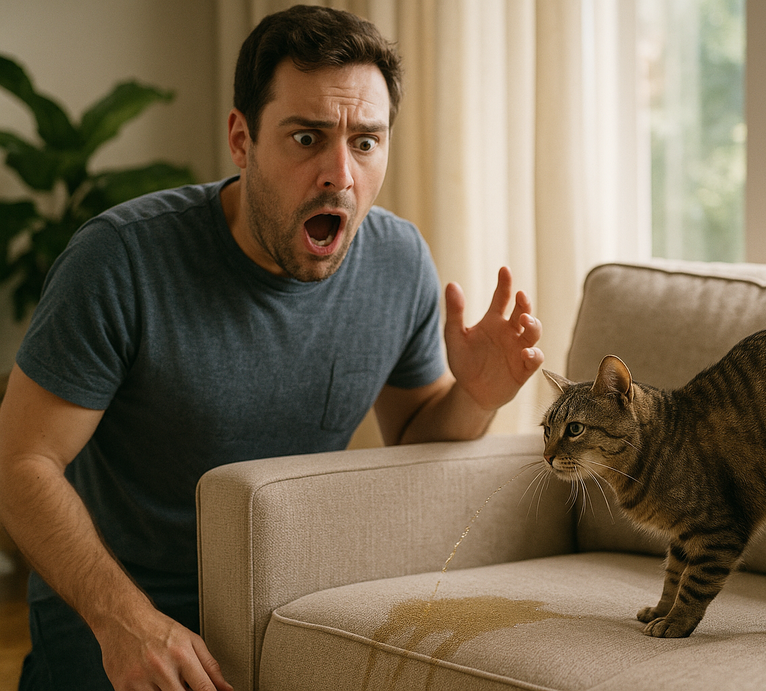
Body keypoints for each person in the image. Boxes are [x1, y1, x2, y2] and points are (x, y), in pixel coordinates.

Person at [0, 6, 544, 690]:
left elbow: (414, 434)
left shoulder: (398, 260)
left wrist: (477, 396)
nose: (340, 174)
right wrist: (125, 621)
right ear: (242, 138)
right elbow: (20, 462)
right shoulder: (120, 260)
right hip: (122, 628)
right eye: (307, 137)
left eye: (365, 142)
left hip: (289, 615)